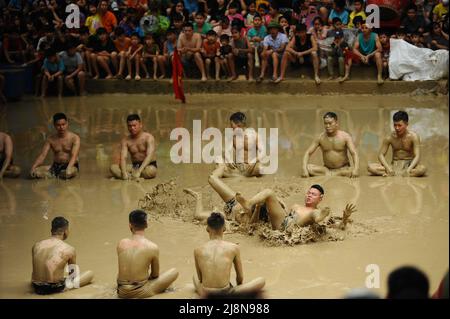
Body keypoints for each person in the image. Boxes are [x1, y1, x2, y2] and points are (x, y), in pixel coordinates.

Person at [193, 212, 265, 297]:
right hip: (225, 293)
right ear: (224, 228)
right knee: (261, 280)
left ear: (207, 229)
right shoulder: (233, 248)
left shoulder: (197, 250)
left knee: (194, 279)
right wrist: (238, 290)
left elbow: (200, 279)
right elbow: (240, 278)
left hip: (206, 293)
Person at [117, 210, 178, 298]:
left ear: (130, 225)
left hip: (121, 291)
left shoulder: (121, 243)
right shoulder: (152, 247)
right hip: (140, 292)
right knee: (174, 272)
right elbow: (155, 275)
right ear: (146, 224)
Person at [31, 217, 94, 295]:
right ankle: (63, 289)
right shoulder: (69, 249)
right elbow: (73, 277)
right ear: (66, 232)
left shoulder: (36, 245)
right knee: (90, 273)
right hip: (54, 288)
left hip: (36, 286)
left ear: (51, 230)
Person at [368, 111, 427, 177]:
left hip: (410, 165)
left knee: (422, 169)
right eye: (395, 125)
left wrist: (408, 169)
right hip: (394, 165)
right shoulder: (390, 137)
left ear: (406, 124)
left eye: (399, 125)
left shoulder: (414, 137)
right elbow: (380, 155)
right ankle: (394, 173)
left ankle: (401, 173)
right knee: (370, 167)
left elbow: (417, 156)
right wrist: (388, 168)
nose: (397, 128)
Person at [302, 112, 359, 178]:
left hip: (343, 168)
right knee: (309, 168)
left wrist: (356, 169)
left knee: (352, 169)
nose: (328, 126)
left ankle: (331, 175)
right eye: (325, 123)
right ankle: (334, 174)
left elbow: (354, 153)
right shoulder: (320, 137)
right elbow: (308, 152)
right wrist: (304, 169)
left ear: (336, 123)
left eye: (330, 123)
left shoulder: (345, 136)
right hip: (327, 169)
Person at [212, 112, 262, 178]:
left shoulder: (254, 135)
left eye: (232, 124)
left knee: (260, 169)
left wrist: (253, 161)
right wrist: (229, 161)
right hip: (238, 167)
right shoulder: (233, 136)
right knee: (218, 159)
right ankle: (239, 175)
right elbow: (227, 151)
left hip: (251, 166)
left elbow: (262, 152)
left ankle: (235, 175)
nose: (231, 127)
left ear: (238, 124)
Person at [30, 113, 80, 179]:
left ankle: (55, 175)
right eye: (58, 125)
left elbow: (74, 156)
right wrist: (33, 167)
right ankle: (55, 175)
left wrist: (68, 169)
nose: (61, 127)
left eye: (63, 124)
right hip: (56, 165)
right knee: (35, 172)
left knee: (67, 173)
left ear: (67, 123)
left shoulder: (75, 138)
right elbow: (42, 155)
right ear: (54, 125)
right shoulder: (50, 139)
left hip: (71, 165)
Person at [110, 114, 157, 180]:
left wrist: (139, 171)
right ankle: (130, 176)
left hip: (148, 166)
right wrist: (123, 173)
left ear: (140, 125)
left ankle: (129, 176)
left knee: (151, 171)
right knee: (113, 167)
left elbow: (149, 156)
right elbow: (123, 158)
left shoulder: (148, 137)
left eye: (134, 125)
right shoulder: (125, 140)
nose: (132, 128)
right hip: (135, 166)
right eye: (130, 126)